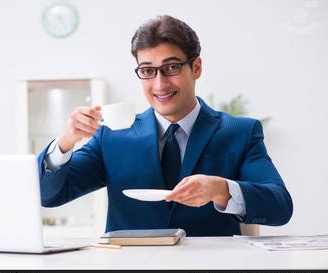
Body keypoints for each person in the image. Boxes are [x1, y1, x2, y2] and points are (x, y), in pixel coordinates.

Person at [37, 15, 293, 236]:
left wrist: (221, 189)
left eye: (171, 68)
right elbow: (49, 196)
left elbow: (280, 206)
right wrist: (66, 142)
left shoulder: (240, 132)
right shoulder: (112, 136)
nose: (159, 85)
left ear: (196, 67)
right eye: (148, 71)